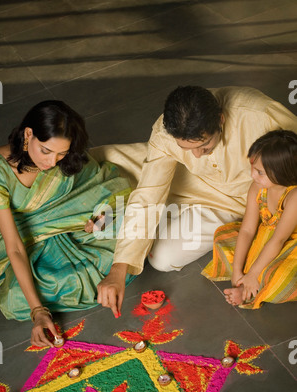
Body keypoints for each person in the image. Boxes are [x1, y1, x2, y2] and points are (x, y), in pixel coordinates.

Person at [92, 86, 297, 316]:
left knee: (162, 259)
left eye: (204, 146)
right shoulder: (165, 133)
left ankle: (128, 221)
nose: (198, 155)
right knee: (124, 169)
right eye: (187, 149)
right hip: (189, 182)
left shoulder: (260, 115)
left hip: (235, 203)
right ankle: (131, 223)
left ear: (220, 120)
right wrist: (119, 268)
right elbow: (149, 195)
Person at [0, 100, 132, 347]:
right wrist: (38, 311)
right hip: (19, 242)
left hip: (70, 228)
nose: (51, 163)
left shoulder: (63, 159)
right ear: (28, 135)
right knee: (15, 298)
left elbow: (100, 183)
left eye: (62, 153)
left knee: (125, 227)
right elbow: (14, 247)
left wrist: (101, 216)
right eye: (46, 151)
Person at [202, 130, 297, 309]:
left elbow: (279, 240)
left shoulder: (294, 197)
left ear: (281, 173)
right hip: (265, 239)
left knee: (279, 276)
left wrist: (253, 273)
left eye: (260, 172)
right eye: (253, 166)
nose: (253, 175)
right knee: (222, 236)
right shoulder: (257, 187)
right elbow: (247, 230)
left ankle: (250, 289)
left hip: (288, 245)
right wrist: (237, 271)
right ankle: (246, 282)